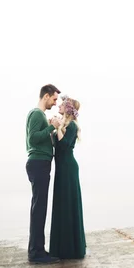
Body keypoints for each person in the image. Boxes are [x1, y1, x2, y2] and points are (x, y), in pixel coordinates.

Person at [25, 84, 61, 264]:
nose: (55, 103)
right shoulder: (37, 113)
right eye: (54, 99)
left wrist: (50, 129)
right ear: (46, 96)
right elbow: (32, 138)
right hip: (38, 163)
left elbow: (39, 138)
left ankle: (38, 249)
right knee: (39, 209)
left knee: (39, 208)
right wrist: (51, 127)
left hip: (40, 163)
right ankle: (35, 253)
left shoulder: (40, 116)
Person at [49, 96, 86, 259]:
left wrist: (57, 129)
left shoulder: (72, 125)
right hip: (61, 169)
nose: (59, 106)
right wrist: (53, 127)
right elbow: (56, 146)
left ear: (68, 108)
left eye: (62, 104)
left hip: (68, 169)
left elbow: (63, 146)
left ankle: (72, 249)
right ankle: (62, 247)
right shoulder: (64, 125)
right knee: (62, 205)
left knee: (68, 205)